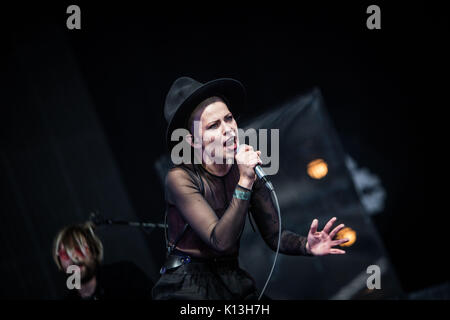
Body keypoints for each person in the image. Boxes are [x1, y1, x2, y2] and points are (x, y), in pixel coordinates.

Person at [152, 77, 350, 300]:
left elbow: (274, 236)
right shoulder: (180, 178)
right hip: (189, 284)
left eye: (228, 118)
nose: (228, 130)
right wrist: (245, 180)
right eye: (213, 126)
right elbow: (220, 241)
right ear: (193, 141)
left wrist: (307, 244)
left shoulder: (242, 168)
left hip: (231, 277)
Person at [53, 221, 154, 299]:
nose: (74, 258)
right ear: (60, 263)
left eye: (79, 249)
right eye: (65, 254)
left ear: (93, 250)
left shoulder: (125, 274)